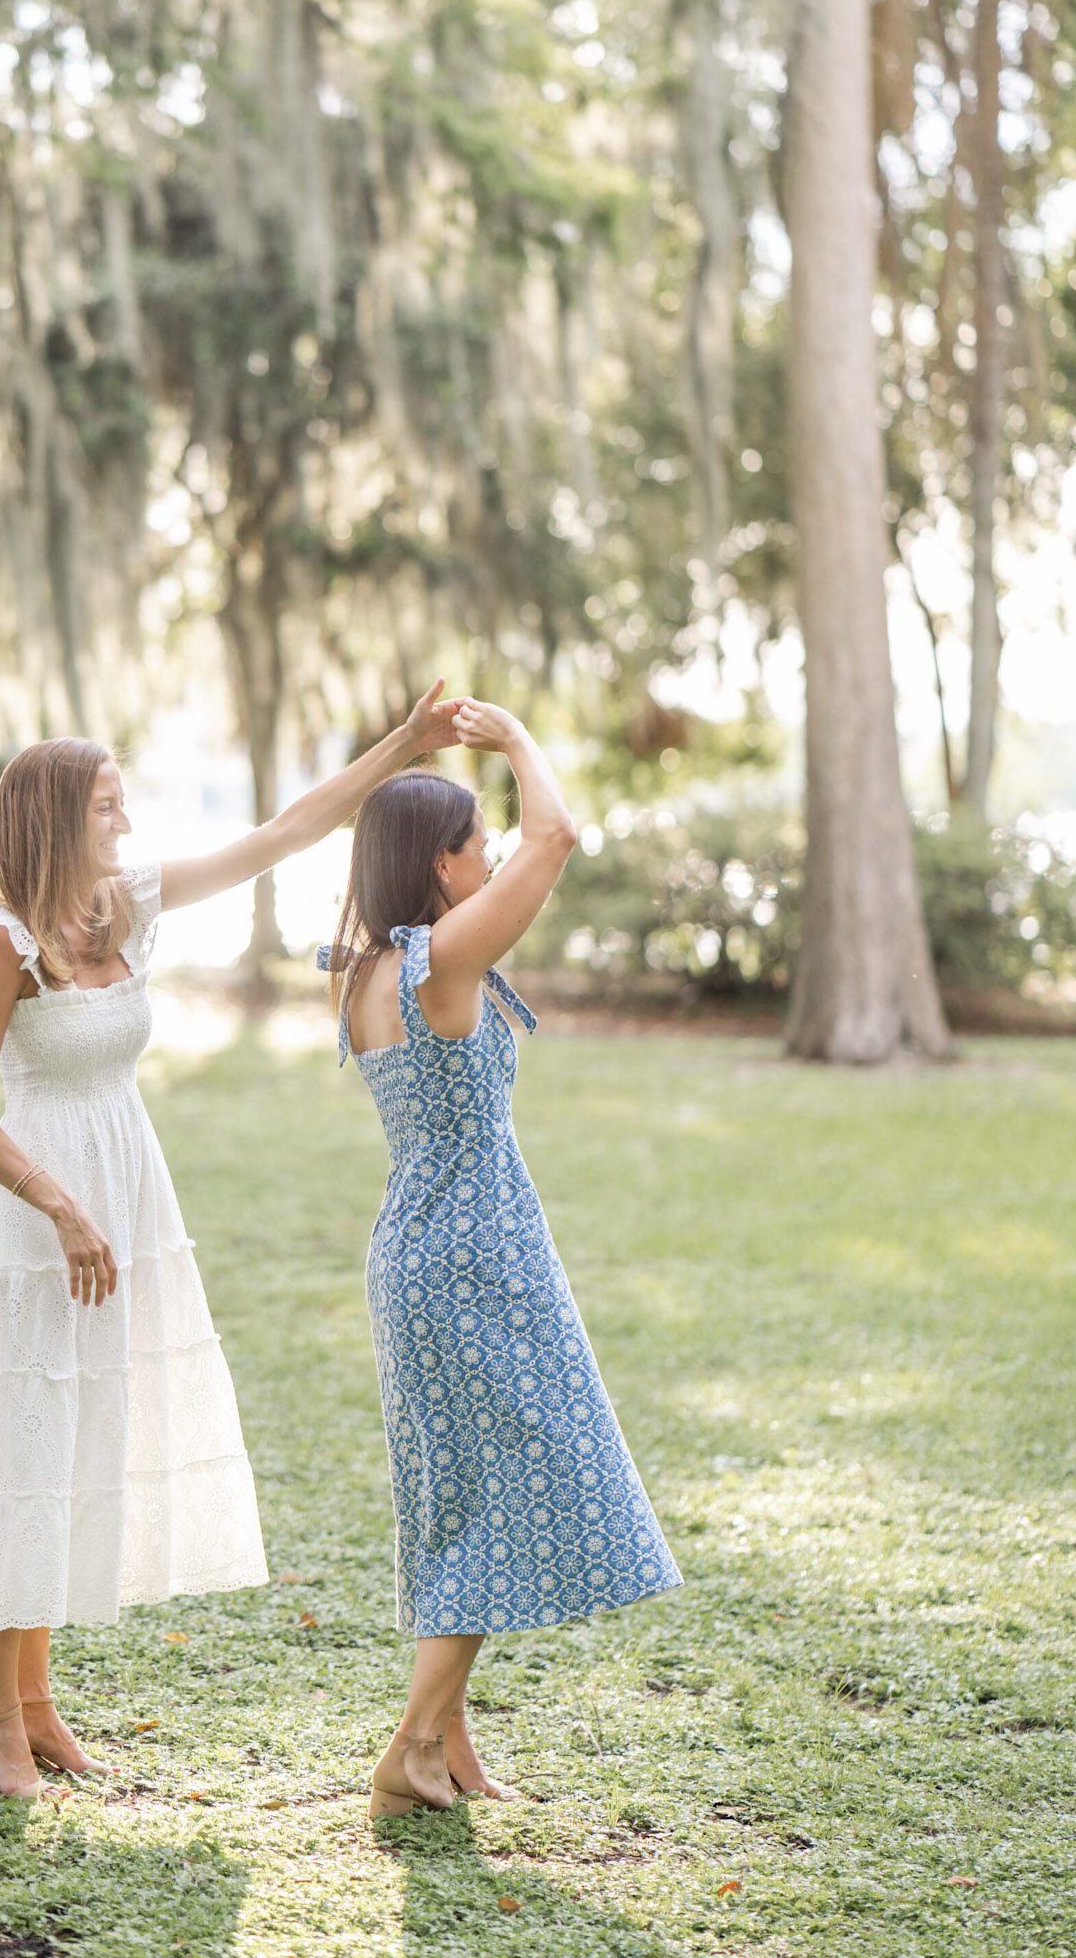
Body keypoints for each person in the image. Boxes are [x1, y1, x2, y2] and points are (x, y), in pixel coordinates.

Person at [0, 684, 463, 1800]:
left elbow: (283, 834)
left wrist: (400, 746)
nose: (123, 821)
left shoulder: (127, 905)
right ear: (56, 819)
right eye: (107, 806)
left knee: (83, 1436)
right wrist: (59, 1205)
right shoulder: (4, 946)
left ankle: (34, 1704)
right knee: (26, 1439)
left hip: (131, 1187)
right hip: (44, 1210)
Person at [317, 701, 682, 1817]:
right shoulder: (441, 957)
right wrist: (518, 739)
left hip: (420, 1246)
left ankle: (452, 1752)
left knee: (454, 1495)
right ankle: (412, 1742)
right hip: (475, 1250)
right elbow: (558, 837)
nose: (493, 855)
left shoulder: (367, 965)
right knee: (511, 1486)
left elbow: (524, 849)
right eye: (476, 842)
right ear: (440, 861)